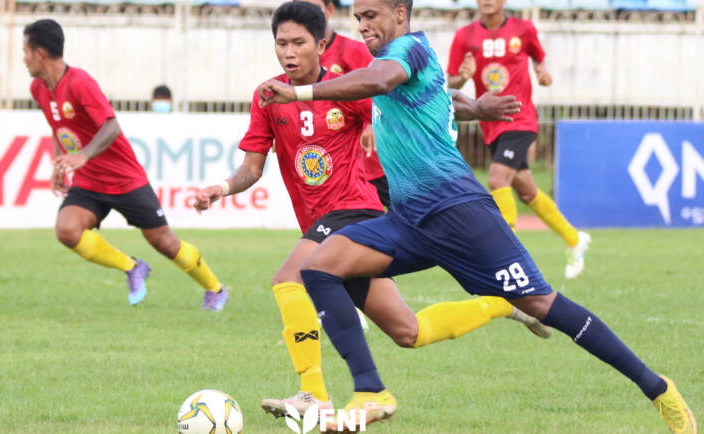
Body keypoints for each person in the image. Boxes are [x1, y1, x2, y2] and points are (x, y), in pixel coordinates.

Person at [257, 0, 697, 432]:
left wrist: (299, 93)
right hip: (408, 220)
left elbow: (379, 80)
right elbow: (433, 97)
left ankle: (658, 389)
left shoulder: (406, 51)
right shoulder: (398, 64)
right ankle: (371, 392)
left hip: (459, 212)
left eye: (370, 16)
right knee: (317, 268)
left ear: (400, 13)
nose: (362, 26)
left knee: (543, 305)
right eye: (357, 18)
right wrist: (476, 108)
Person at [194, 1, 550, 420]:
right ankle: (504, 304)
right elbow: (252, 167)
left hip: (356, 211)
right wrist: (221, 188)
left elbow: (427, 98)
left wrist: (474, 109)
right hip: (321, 226)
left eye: (298, 43)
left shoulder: (348, 88)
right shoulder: (268, 96)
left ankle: (313, 395)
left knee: (288, 279)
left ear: (321, 44)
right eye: (281, 43)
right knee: (408, 331)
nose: (289, 52)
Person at [22, 19, 228, 311]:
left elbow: (111, 127)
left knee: (165, 244)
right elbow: (58, 127)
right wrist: (59, 163)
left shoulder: (80, 83)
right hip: (89, 182)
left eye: (25, 51)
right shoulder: (38, 88)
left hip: (124, 179)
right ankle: (132, 267)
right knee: (67, 230)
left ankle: (215, 288)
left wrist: (83, 156)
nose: (23, 59)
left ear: (39, 52)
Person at [446, 0, 590, 279]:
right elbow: (450, 82)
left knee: (498, 180)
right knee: (526, 191)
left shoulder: (523, 30)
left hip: (520, 119)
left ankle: (507, 256)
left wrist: (542, 72)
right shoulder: (465, 36)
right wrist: (461, 77)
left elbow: (539, 57)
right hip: (491, 124)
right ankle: (574, 239)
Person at [299, 0, 390, 207]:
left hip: (371, 162)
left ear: (330, 10)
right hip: (333, 166)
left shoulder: (354, 51)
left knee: (410, 220)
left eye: (313, 9)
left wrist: (371, 122)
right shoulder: (299, 58)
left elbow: (382, 88)